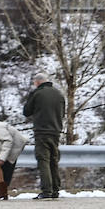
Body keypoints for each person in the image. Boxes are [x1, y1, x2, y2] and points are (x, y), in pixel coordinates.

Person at [22, 71, 66, 200]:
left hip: (42, 131)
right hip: (56, 131)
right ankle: (55, 190)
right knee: (54, 160)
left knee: (43, 160)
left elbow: (26, 111)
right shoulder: (59, 94)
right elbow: (62, 113)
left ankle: (46, 190)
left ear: (37, 82)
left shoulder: (37, 93)